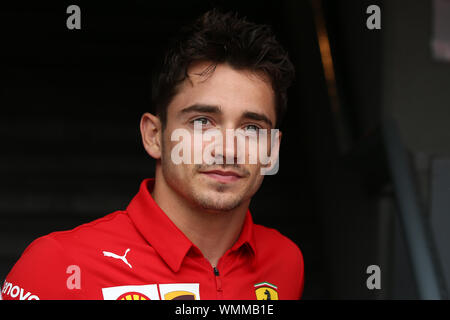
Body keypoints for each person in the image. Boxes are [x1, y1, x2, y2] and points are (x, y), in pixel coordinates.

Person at [1, 9, 303, 300]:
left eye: (251, 128)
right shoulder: (56, 264)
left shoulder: (285, 262)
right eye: (201, 122)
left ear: (271, 149)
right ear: (154, 136)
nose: (227, 149)